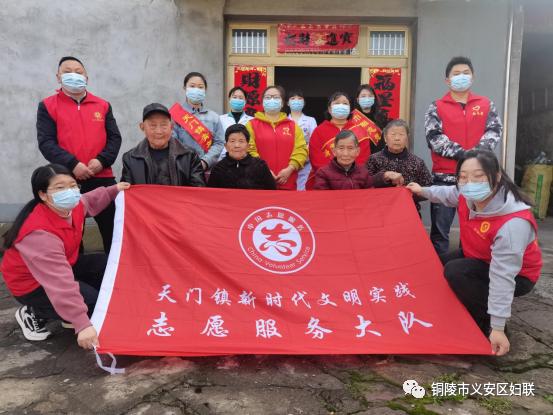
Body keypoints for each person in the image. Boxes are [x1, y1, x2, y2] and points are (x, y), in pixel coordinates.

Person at [406, 150, 542, 356]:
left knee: (455, 272)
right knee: (434, 265)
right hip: (479, 257)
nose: (470, 183)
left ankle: (485, 321)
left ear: (496, 176)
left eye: (478, 176)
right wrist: (421, 190)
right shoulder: (466, 195)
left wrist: (497, 326)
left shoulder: (513, 223)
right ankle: (459, 307)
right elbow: (447, 194)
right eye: (463, 177)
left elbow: (502, 276)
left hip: (518, 275)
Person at [1, 164, 130, 349]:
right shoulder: (38, 233)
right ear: (43, 194)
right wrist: (82, 324)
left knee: (112, 267)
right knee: (93, 306)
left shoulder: (73, 205)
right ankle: (35, 312)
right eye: (60, 188)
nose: (70, 191)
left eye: (72, 185)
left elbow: (90, 200)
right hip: (32, 284)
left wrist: (115, 190)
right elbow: (59, 282)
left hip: (67, 263)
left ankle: (65, 310)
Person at [37, 56, 122, 254]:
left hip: (103, 178)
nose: (73, 75)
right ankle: (76, 275)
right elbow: (46, 143)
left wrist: (101, 161)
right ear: (58, 77)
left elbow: (115, 138)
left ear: (86, 77)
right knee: (71, 233)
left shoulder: (102, 105)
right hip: (67, 182)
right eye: (67, 71)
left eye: (78, 71)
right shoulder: (48, 105)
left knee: (114, 231)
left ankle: (114, 274)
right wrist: (73, 164)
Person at [426, 56, 503, 255]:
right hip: (445, 178)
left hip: (477, 180)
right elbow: (434, 138)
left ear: (473, 77)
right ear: (447, 80)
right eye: (456, 74)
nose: (461, 77)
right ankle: (437, 271)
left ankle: (466, 270)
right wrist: (465, 154)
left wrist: (476, 155)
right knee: (440, 232)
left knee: (472, 231)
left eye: (466, 73)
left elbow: (495, 131)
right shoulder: (437, 106)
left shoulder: (486, 104)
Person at [308, 91, 381, 189]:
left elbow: (363, 158)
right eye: (337, 103)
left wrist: (351, 177)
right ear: (329, 109)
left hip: (355, 182)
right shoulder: (318, 131)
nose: (341, 106)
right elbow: (316, 159)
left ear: (350, 108)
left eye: (345, 103)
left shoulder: (360, 130)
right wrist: (333, 177)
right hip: (326, 182)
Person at [121, 103, 205, 186]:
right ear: (142, 127)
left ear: (171, 127)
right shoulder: (130, 158)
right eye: (153, 126)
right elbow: (127, 194)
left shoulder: (190, 156)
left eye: (164, 125)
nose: (159, 131)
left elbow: (198, 192)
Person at [246, 85, 307, 190]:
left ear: (282, 102)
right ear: (262, 102)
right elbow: (249, 150)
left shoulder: (293, 126)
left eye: (276, 97)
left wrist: (290, 168)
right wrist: (264, 170)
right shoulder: (251, 125)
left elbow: (301, 150)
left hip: (288, 182)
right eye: (268, 97)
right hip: (259, 183)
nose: (272, 100)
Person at [367, 119, 432, 212]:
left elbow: (428, 188)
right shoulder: (374, 159)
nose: (397, 138)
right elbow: (366, 184)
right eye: (393, 134)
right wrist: (384, 177)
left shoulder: (417, 162)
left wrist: (409, 193)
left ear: (407, 138)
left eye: (401, 134)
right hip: (380, 210)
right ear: (385, 138)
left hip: (409, 211)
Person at [170, 71, 225, 172]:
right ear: (184, 88)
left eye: (200, 87)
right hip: (182, 169)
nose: (196, 90)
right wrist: (187, 162)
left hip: (207, 169)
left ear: (205, 90)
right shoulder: (175, 115)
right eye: (192, 86)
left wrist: (205, 162)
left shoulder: (214, 117)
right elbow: (172, 142)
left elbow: (219, 143)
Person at [314, 130, 403, 190]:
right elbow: (322, 201)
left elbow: (370, 196)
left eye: (350, 148)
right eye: (341, 148)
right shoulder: (323, 173)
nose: (345, 153)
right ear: (334, 151)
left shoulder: (363, 173)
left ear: (357, 151)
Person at [208, 124, 276, 190]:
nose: (237, 145)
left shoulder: (260, 166)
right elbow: (212, 196)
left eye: (241, 141)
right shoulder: (218, 168)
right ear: (226, 146)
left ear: (248, 146)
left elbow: (271, 193)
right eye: (232, 141)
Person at [287, 90, 317, 191]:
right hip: (287, 162)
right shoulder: (284, 121)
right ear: (287, 103)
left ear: (304, 102)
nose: (296, 101)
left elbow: (313, 141)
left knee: (303, 190)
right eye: (293, 98)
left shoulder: (310, 120)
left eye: (300, 99)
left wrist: (303, 157)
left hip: (306, 163)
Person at [217, 86, 254, 161]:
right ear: (229, 99)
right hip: (224, 159)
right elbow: (218, 141)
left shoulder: (252, 120)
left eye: (240, 98)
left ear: (245, 101)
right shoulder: (220, 119)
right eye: (234, 97)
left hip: (246, 159)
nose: (237, 100)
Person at [354, 84, 386, 152]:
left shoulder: (381, 117)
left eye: (370, 96)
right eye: (363, 96)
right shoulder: (352, 117)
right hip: (358, 156)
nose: (367, 98)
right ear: (357, 99)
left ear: (374, 98)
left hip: (377, 156)